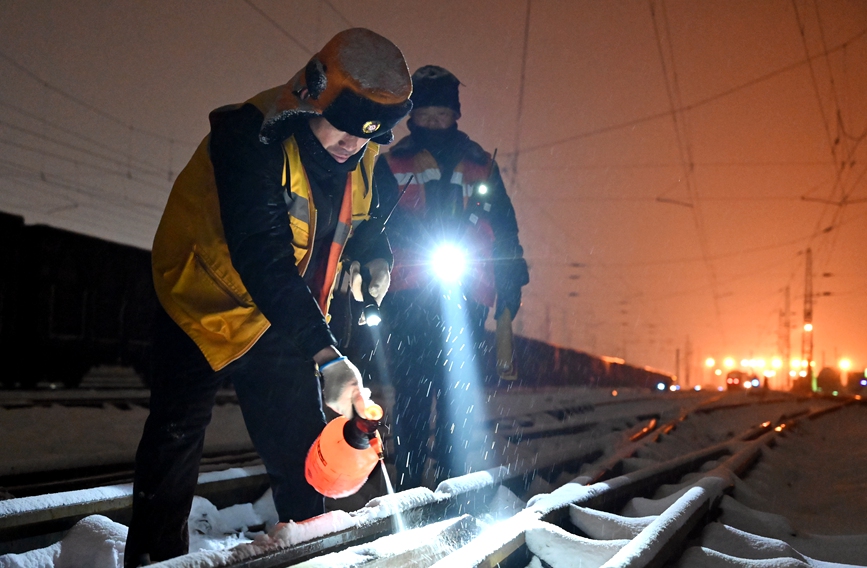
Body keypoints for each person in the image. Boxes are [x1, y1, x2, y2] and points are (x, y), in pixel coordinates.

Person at [124, 28, 412, 567]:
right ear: (312, 96)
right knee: (175, 436)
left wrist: (376, 253)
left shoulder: (365, 150)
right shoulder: (248, 138)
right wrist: (325, 352)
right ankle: (153, 559)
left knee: (300, 446)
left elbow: (374, 212)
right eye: (345, 129)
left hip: (280, 314)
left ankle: (313, 555)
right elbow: (262, 255)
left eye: (368, 136)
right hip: (202, 300)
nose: (354, 145)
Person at [371, 65, 529, 490]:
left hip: (469, 291)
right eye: (426, 115)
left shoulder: (481, 164)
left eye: (442, 115)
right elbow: (375, 221)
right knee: (411, 386)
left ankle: (450, 475)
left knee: (456, 384)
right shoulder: (391, 163)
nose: (434, 123)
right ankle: (407, 478)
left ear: (455, 116)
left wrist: (510, 284)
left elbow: (505, 227)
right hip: (408, 290)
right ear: (412, 116)